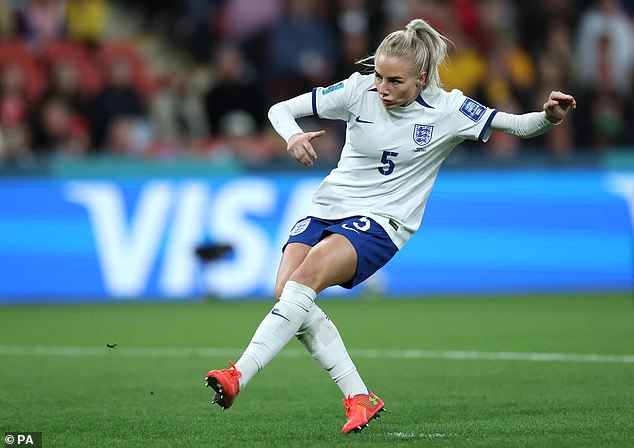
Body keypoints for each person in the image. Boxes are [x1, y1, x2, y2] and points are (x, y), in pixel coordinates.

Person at [204, 18, 576, 434]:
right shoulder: (357, 89)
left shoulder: (450, 110)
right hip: (329, 207)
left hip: (383, 222)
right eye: (378, 76)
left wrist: (549, 117)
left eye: (394, 81)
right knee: (288, 295)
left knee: (303, 283)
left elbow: (520, 125)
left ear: (421, 78)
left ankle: (238, 374)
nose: (381, 88)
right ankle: (359, 397)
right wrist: (292, 136)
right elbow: (280, 109)